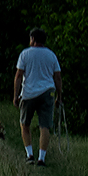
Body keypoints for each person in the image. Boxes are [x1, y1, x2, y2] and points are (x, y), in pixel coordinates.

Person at [13, 28, 62, 166]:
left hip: (28, 94)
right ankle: (42, 158)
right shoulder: (51, 55)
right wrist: (60, 96)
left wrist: (15, 96)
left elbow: (18, 75)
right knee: (44, 126)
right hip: (47, 92)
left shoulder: (25, 54)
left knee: (25, 124)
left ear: (33, 39)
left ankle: (30, 155)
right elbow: (57, 77)